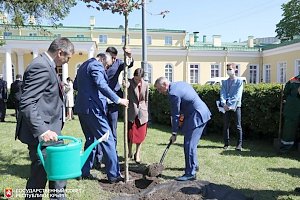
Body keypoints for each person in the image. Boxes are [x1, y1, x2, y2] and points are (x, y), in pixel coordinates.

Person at [15, 37, 74, 199]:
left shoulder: (46, 64)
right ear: (60, 52)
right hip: (43, 133)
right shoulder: (41, 66)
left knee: (45, 175)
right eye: (67, 58)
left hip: (50, 129)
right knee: (51, 175)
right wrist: (43, 130)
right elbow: (27, 102)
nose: (67, 62)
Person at [73, 52, 129, 183]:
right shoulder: (96, 65)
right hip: (93, 110)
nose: (106, 69)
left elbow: (76, 85)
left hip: (82, 108)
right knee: (107, 139)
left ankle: (84, 170)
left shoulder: (83, 66)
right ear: (102, 60)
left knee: (91, 139)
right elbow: (102, 85)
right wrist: (118, 99)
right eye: (107, 66)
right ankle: (114, 175)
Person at [154, 77, 211, 181]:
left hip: (197, 116)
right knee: (191, 144)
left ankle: (190, 173)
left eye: (159, 89)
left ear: (165, 85)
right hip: (201, 112)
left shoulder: (173, 94)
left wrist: (174, 133)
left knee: (189, 144)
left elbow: (175, 115)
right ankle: (194, 166)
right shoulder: (179, 84)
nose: (159, 92)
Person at [93, 46, 133, 169]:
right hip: (101, 100)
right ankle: (98, 158)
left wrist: (129, 55)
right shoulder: (99, 64)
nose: (114, 60)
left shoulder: (119, 63)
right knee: (100, 130)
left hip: (115, 100)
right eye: (112, 58)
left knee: (113, 129)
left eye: (115, 58)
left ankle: (111, 156)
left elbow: (129, 64)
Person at [126, 68, 149, 163]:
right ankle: (129, 152)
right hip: (132, 112)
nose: (137, 81)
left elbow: (146, 99)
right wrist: (125, 85)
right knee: (131, 134)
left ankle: (137, 153)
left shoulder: (146, 84)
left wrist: (146, 111)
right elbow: (125, 91)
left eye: (139, 79)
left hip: (142, 113)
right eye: (136, 79)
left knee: (141, 134)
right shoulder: (129, 83)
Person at [220, 63, 244, 151]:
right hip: (226, 107)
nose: (228, 71)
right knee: (226, 125)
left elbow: (238, 95)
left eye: (230, 69)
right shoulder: (225, 82)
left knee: (238, 126)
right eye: (227, 69)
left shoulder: (239, 82)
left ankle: (239, 145)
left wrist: (229, 104)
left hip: (236, 106)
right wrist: (224, 103)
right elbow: (222, 93)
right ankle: (226, 144)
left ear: (235, 70)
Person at [279, 74, 300, 153]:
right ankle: (286, 147)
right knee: (289, 130)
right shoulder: (292, 80)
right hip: (292, 111)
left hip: (292, 109)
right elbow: (286, 93)